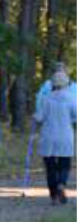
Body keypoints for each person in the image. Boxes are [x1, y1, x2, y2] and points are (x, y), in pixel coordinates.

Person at [33, 67, 77, 205]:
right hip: (65, 136)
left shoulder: (45, 99)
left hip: (48, 136)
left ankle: (53, 195)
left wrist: (35, 117)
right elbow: (76, 117)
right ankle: (61, 184)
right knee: (64, 164)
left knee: (50, 167)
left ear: (52, 83)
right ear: (66, 83)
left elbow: (39, 117)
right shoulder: (72, 99)